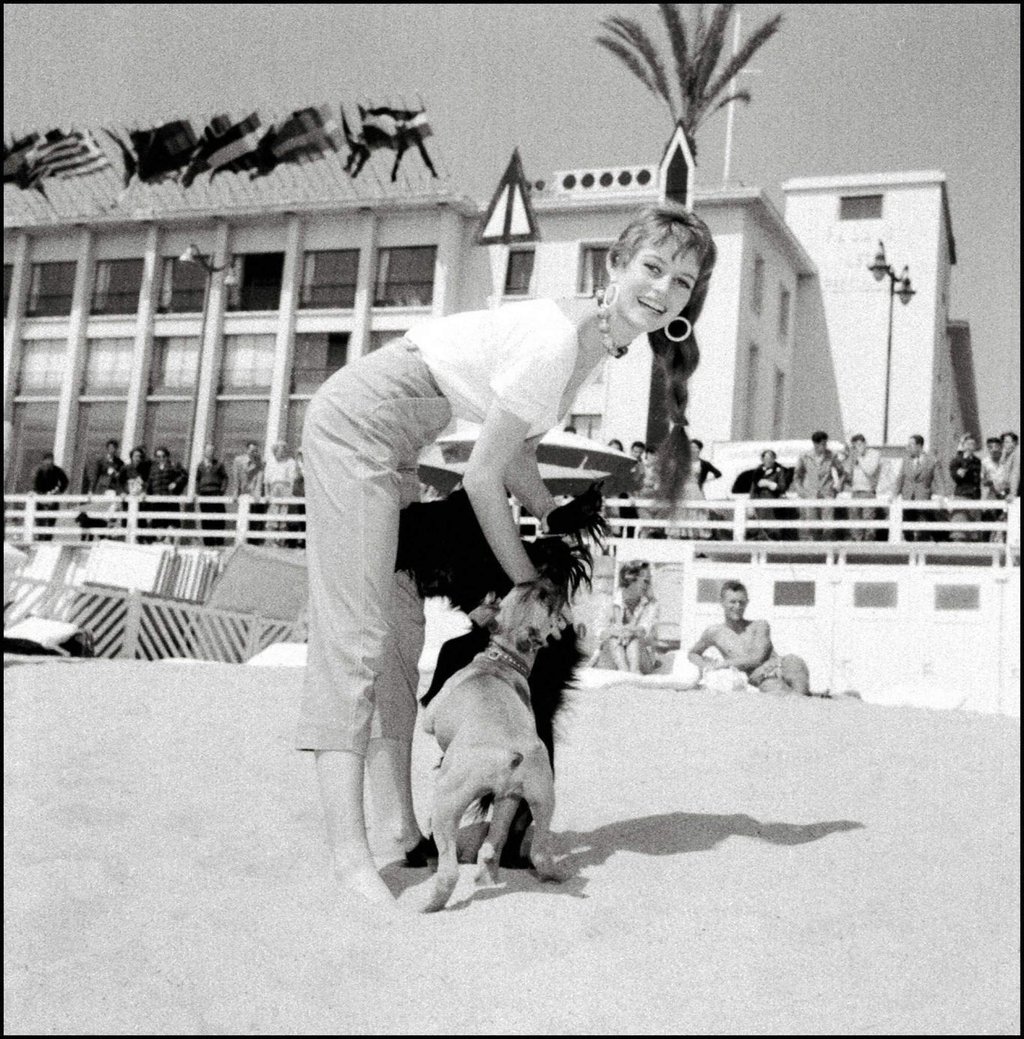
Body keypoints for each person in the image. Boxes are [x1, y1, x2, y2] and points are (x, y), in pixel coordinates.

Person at [296, 202, 718, 904]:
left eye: (682, 281)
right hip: (356, 426)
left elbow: (516, 452)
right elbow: (480, 479)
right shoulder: (559, 342)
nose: (663, 289)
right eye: (652, 267)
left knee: (400, 633)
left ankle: (401, 829)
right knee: (356, 638)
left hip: (396, 440)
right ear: (615, 264)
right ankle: (349, 857)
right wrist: (528, 584)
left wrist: (549, 510)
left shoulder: (595, 342)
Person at [687, 580, 812, 696]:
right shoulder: (714, 632)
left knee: (794, 663)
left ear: (747, 602)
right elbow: (693, 653)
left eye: (741, 602)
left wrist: (722, 664)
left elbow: (757, 658)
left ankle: (804, 697)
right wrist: (707, 667)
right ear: (722, 602)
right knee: (778, 690)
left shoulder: (760, 625)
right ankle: (801, 702)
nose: (737, 606)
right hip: (761, 676)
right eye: (732, 602)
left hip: (780, 664)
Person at [591, 560, 661, 674]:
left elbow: (644, 630)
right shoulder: (609, 601)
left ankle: (630, 673)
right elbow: (599, 631)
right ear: (630, 579)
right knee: (613, 639)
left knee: (634, 639)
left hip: (641, 657)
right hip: (612, 655)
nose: (649, 585)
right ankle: (626, 673)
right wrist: (616, 632)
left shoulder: (651, 604)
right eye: (646, 581)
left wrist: (629, 632)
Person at [793, 431, 839, 541]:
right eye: (822, 444)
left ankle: (827, 545)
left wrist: (837, 488)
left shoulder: (831, 456)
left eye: (826, 443)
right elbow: (797, 476)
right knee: (812, 523)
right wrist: (801, 491)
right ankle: (814, 546)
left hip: (827, 493)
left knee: (828, 524)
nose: (825, 446)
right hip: (811, 493)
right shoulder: (805, 456)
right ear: (815, 444)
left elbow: (842, 472)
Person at [894, 434, 939, 541]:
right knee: (907, 527)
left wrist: (941, 494)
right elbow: (900, 478)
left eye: (911, 445)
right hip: (908, 497)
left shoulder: (931, 460)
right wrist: (894, 494)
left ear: (919, 446)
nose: (908, 447)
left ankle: (924, 545)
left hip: (922, 497)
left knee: (923, 527)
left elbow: (938, 479)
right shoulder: (906, 460)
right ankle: (909, 546)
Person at [145, 446, 187, 541]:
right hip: (157, 501)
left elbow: (184, 475)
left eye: (163, 456)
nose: (161, 458)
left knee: (171, 526)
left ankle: (169, 543)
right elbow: (149, 484)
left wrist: (175, 483)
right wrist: (147, 495)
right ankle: (159, 543)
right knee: (158, 526)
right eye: (158, 456)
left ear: (167, 456)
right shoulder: (153, 468)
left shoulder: (173, 465)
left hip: (169, 500)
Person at [844, 434, 881, 541]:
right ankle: (857, 541)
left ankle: (869, 542)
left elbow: (870, 471)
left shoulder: (874, 454)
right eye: (855, 445)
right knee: (855, 518)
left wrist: (859, 458)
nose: (858, 447)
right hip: (855, 491)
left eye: (859, 444)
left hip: (868, 491)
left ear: (865, 443)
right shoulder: (854, 455)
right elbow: (847, 473)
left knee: (868, 518)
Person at [749, 448, 790, 539]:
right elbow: (753, 489)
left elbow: (782, 487)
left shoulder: (779, 470)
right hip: (759, 503)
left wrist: (770, 484)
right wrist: (750, 505)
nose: (768, 461)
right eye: (766, 458)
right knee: (759, 527)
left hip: (773, 504)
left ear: (774, 459)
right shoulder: (758, 471)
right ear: (762, 459)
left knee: (773, 528)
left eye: (771, 458)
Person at [263, 440, 299, 544]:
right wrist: (266, 493)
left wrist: (290, 493)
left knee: (284, 514)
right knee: (272, 513)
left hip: (285, 488)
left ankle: (281, 541)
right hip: (273, 489)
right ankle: (270, 541)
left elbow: (292, 480)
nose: (281, 453)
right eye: (279, 451)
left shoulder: (290, 462)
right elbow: (266, 480)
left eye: (284, 450)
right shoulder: (270, 462)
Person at [948, 434, 982, 541]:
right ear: (963, 445)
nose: (970, 446)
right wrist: (964, 458)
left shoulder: (978, 461)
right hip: (962, 494)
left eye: (973, 444)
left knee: (974, 530)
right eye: (968, 444)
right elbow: (957, 477)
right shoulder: (956, 461)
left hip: (975, 496)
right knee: (959, 526)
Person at [195, 443, 229, 547]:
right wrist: (198, 492)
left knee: (219, 518)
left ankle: (219, 542)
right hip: (204, 494)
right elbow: (197, 480)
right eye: (208, 450)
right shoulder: (200, 466)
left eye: (212, 451)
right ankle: (208, 544)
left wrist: (222, 491)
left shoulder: (219, 465)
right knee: (206, 519)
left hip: (216, 493)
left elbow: (225, 478)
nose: (210, 453)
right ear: (204, 452)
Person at [31, 452, 69, 540]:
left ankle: (48, 539)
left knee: (51, 520)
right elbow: (34, 484)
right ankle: (40, 538)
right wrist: (38, 494)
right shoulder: (38, 470)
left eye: (50, 460)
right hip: (40, 497)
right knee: (40, 519)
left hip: (52, 496)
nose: (48, 462)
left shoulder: (57, 470)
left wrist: (59, 491)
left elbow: (65, 481)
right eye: (47, 460)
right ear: (43, 461)